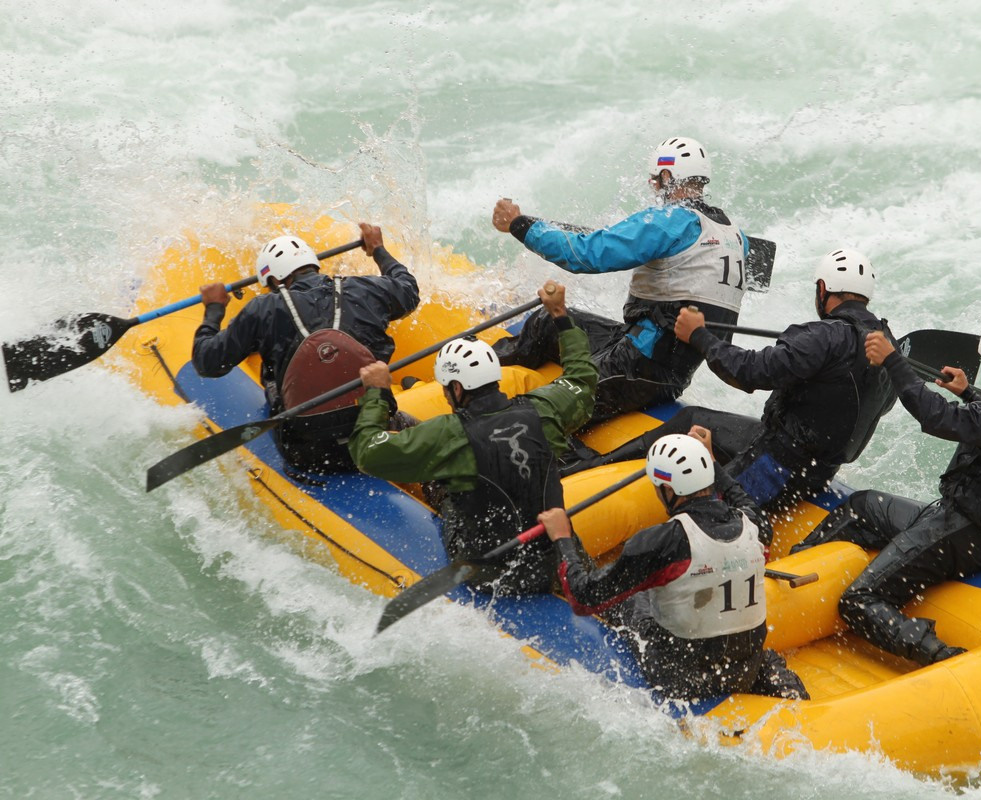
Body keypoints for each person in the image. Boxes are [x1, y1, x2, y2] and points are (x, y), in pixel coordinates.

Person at [792, 319, 981, 666]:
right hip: (955, 521)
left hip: (965, 536)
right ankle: (793, 569)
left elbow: (937, 417)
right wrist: (967, 393)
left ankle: (944, 658)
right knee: (862, 505)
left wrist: (893, 361)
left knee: (859, 599)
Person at [573, 249, 897, 514]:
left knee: (705, 509)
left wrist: (699, 335)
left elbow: (748, 373)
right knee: (692, 419)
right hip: (805, 458)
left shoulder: (822, 337)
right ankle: (595, 465)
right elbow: (878, 404)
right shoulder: (888, 343)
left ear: (823, 289)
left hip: (779, 468)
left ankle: (578, 479)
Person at [348, 281, 597, 595]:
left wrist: (375, 396)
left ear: (456, 389)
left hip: (490, 574)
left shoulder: (446, 435)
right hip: (555, 560)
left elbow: (367, 453)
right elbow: (582, 380)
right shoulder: (544, 410)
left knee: (447, 486)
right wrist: (560, 315)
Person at [491, 136, 749, 421]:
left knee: (552, 406)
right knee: (545, 322)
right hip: (649, 352)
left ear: (667, 176)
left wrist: (520, 225)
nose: (654, 188)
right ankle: (485, 372)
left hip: (642, 366)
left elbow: (587, 254)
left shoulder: (670, 222)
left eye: (655, 180)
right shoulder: (737, 237)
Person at [539, 430, 808, 703]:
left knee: (633, 596)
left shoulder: (662, 541)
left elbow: (584, 599)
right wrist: (712, 462)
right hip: (744, 670)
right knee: (761, 656)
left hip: (682, 677)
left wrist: (563, 539)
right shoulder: (753, 524)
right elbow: (744, 501)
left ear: (668, 489)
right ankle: (792, 696)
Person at [192, 223, 420, 472]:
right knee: (415, 429)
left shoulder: (263, 309)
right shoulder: (366, 289)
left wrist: (213, 311)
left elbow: (207, 362)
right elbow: (408, 290)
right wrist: (377, 250)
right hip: (377, 431)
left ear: (276, 279)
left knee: (271, 374)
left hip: (309, 452)